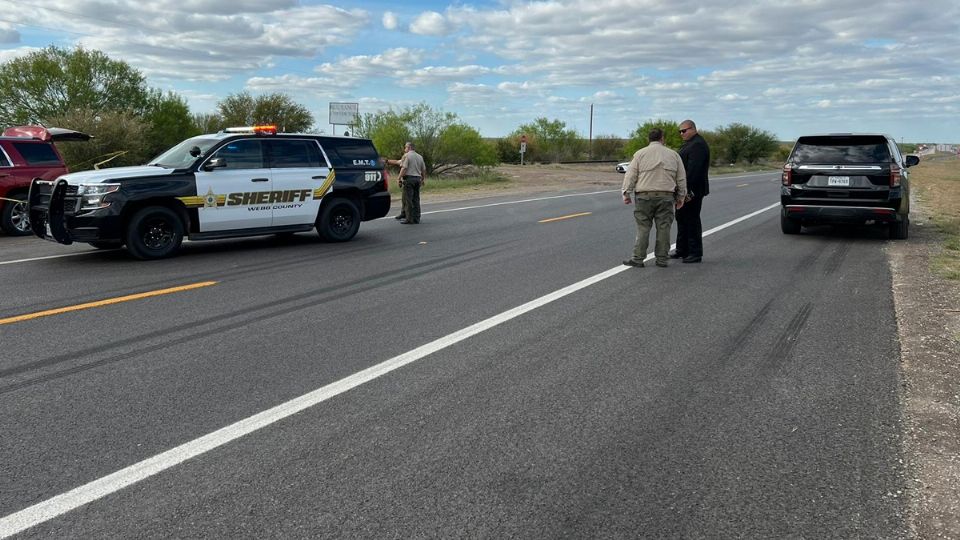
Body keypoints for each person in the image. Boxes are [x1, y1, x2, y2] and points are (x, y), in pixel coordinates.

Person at [621, 128, 686, 268]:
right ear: (662, 139)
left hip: (644, 196)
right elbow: (681, 178)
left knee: (643, 228)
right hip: (666, 196)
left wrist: (626, 193)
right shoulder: (673, 155)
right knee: (664, 228)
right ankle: (662, 259)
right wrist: (681, 197)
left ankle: (638, 258)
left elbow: (630, 175)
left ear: (648, 139)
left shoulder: (640, 154)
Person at [671, 119, 710, 263]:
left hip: (692, 190)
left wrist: (686, 191)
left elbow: (694, 170)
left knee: (691, 220)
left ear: (693, 129)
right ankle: (682, 249)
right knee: (681, 218)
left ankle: (695, 252)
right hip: (684, 189)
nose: (682, 133)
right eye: (680, 131)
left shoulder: (698, 145)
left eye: (684, 130)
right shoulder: (689, 144)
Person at [386, 142, 427, 224]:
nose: (404, 149)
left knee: (408, 200)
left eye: (405, 147)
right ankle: (416, 218)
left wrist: (398, 178)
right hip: (417, 179)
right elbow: (423, 169)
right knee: (416, 199)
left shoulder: (407, 156)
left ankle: (409, 219)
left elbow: (404, 168)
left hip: (409, 179)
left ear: (409, 147)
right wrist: (423, 179)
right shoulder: (419, 157)